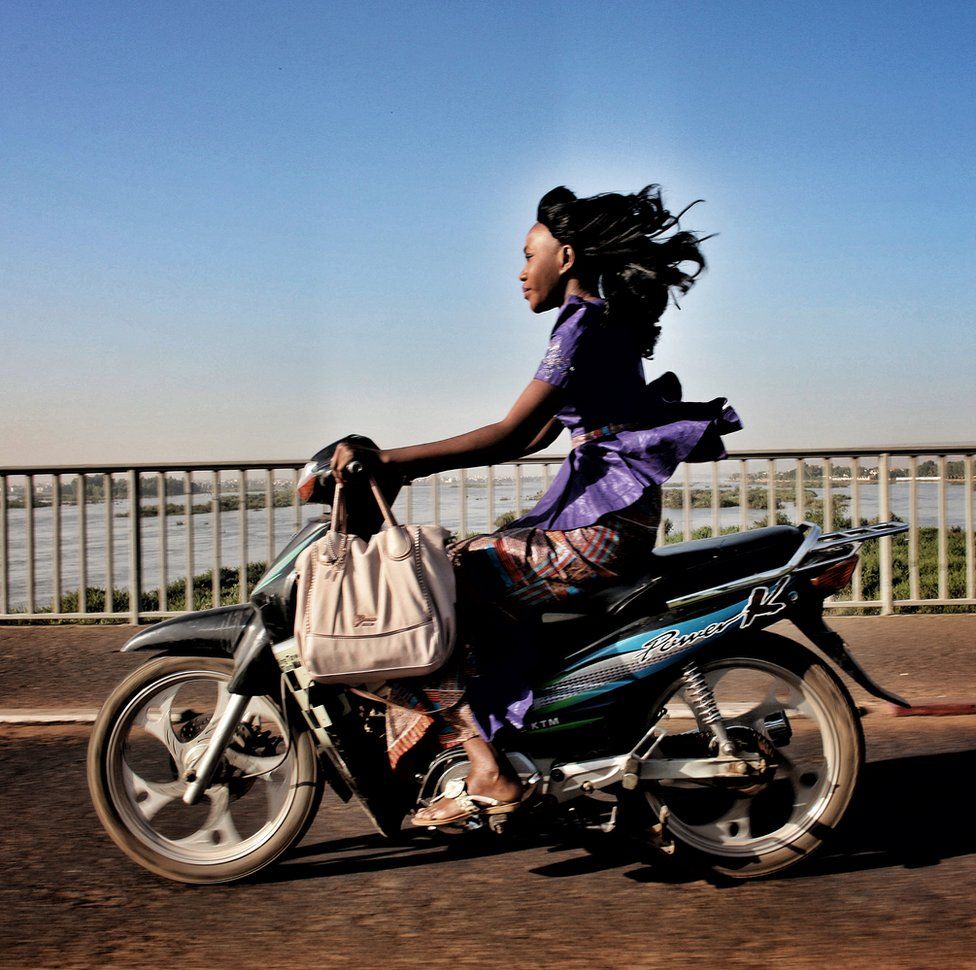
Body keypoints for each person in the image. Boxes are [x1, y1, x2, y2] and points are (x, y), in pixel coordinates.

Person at [330, 184, 741, 826]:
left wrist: (389, 463)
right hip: (609, 517)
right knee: (459, 570)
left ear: (567, 256)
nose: (520, 271)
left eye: (529, 255)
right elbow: (532, 436)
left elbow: (511, 430)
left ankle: (486, 767)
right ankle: (519, 738)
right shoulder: (597, 321)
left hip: (601, 526)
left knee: (432, 577)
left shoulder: (579, 327)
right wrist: (410, 470)